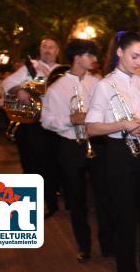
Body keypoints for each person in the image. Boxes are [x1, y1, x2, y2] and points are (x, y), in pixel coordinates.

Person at [86, 31, 140, 272]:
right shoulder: (104, 86)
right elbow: (91, 128)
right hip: (119, 154)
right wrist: (122, 124)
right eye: (134, 56)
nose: (139, 63)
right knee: (125, 219)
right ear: (119, 52)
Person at [41, 39, 114, 263]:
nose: (94, 59)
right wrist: (70, 120)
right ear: (77, 57)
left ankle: (108, 244)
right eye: (90, 55)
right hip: (71, 147)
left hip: (98, 144)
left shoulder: (99, 82)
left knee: (104, 197)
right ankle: (84, 246)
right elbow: (46, 121)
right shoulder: (56, 87)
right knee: (77, 200)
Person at [3, 38, 62, 216]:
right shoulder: (29, 67)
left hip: (51, 124)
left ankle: (50, 202)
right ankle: (32, 203)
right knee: (29, 164)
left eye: (51, 47)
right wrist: (19, 90)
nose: (47, 50)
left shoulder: (62, 71)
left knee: (50, 165)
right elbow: (7, 84)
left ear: (57, 51)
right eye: (44, 46)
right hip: (29, 124)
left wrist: (39, 83)